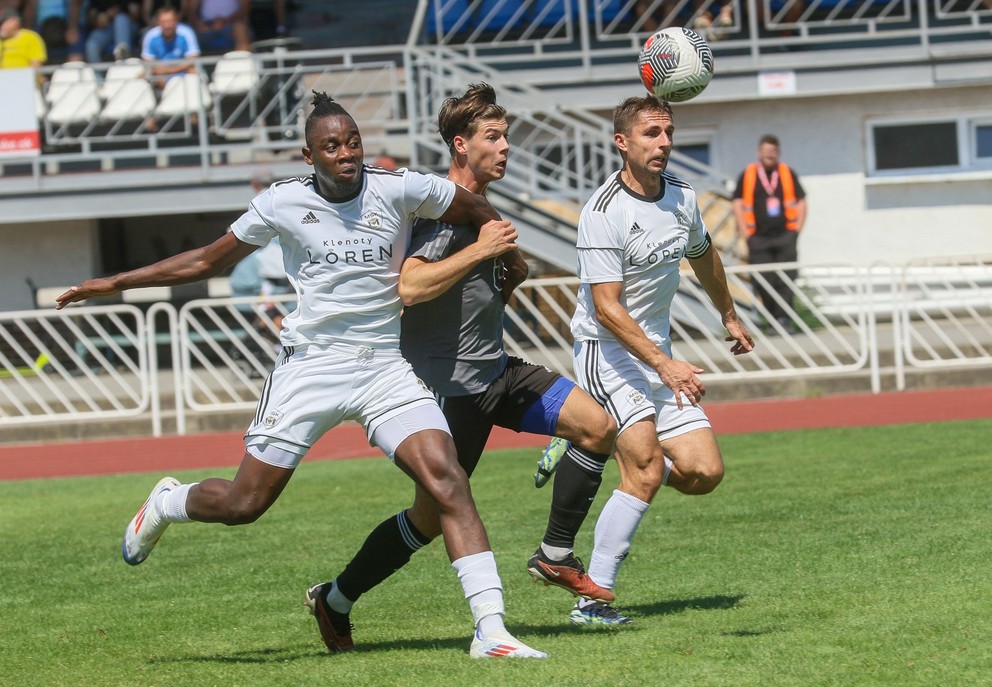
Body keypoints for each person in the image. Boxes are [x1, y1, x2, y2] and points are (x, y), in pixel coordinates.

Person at [54, 91, 547, 660]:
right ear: (308, 154)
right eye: (331, 146)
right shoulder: (281, 203)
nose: (346, 153)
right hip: (309, 369)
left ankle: (492, 631)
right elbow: (206, 261)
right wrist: (113, 284)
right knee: (245, 504)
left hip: (384, 366)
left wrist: (505, 254)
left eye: (353, 142)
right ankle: (169, 501)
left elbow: (472, 205)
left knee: (448, 480)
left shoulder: (397, 186)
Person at [302, 83, 619, 650]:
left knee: (597, 427)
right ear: (460, 145)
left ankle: (553, 554)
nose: (505, 149)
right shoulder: (441, 213)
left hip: (496, 373)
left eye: (506, 137)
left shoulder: (479, 210)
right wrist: (482, 250)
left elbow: (491, 275)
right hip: (448, 393)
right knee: (428, 519)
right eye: (492, 138)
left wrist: (508, 268)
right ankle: (337, 598)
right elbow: (411, 285)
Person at [539, 96, 754, 625]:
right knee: (646, 470)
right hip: (606, 352)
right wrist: (664, 365)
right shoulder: (603, 211)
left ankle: (582, 439)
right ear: (622, 142)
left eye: (667, 132)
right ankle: (592, 602)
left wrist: (729, 314)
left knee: (704, 473)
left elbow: (703, 255)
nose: (663, 143)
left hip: (658, 355)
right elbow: (607, 309)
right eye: (650, 133)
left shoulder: (681, 196)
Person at [732, 134, 807, 332]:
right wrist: (745, 233)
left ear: (778, 153)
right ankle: (772, 320)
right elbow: (738, 203)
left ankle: (784, 320)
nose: (769, 155)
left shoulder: (787, 173)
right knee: (763, 279)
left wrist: (796, 230)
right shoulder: (748, 174)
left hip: (785, 236)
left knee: (786, 278)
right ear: (759, 153)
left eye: (773, 151)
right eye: (766, 151)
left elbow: (801, 201)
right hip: (758, 238)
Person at [140, 4, 199, 88]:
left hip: (183, 72)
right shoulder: (151, 36)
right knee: (141, 76)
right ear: (158, 22)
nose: (167, 25)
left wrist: (169, 70)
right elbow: (147, 63)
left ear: (176, 21)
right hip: (159, 76)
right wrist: (160, 73)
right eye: (164, 22)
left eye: (170, 21)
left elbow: (193, 59)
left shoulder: (186, 33)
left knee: (194, 71)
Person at [67, 0, 138, 63]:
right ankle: (96, 75)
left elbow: (137, 12)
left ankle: (123, 65)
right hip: (106, 28)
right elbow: (91, 19)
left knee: (120, 20)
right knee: (92, 45)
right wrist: (97, 20)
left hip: (128, 25)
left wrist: (114, 12)